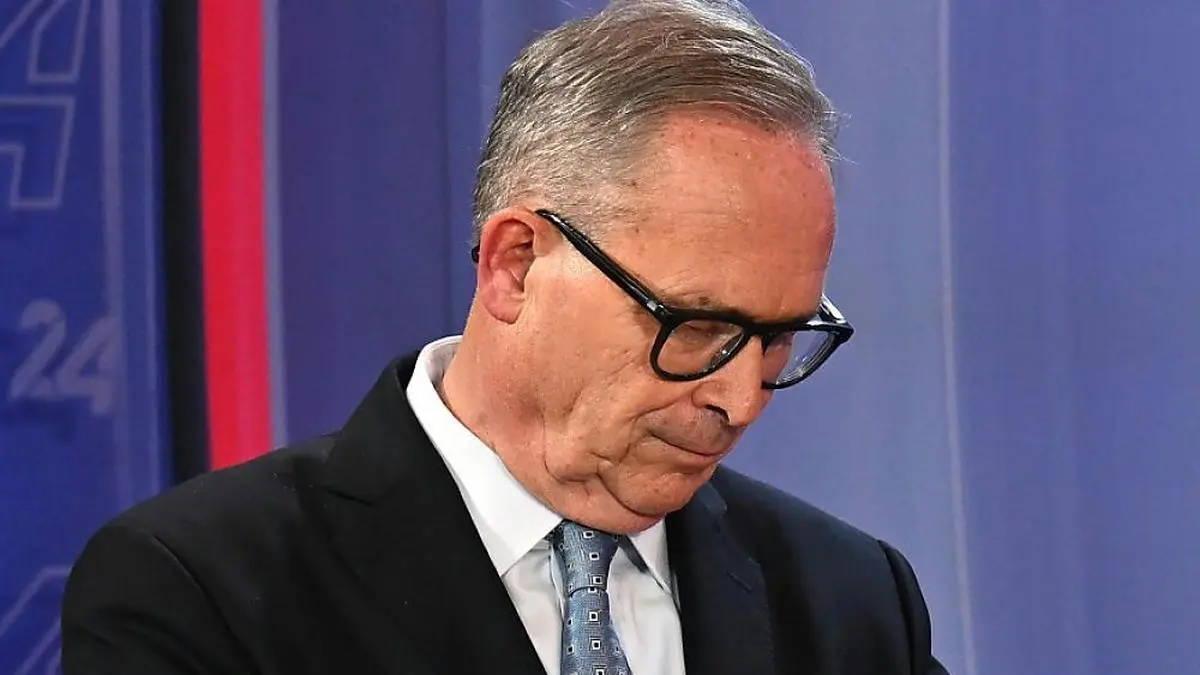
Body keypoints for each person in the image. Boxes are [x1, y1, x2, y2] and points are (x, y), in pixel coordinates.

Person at [62, 1, 949, 673]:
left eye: (778, 337)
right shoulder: (197, 589)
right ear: (516, 264)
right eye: (699, 325)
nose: (741, 396)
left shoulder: (854, 601)